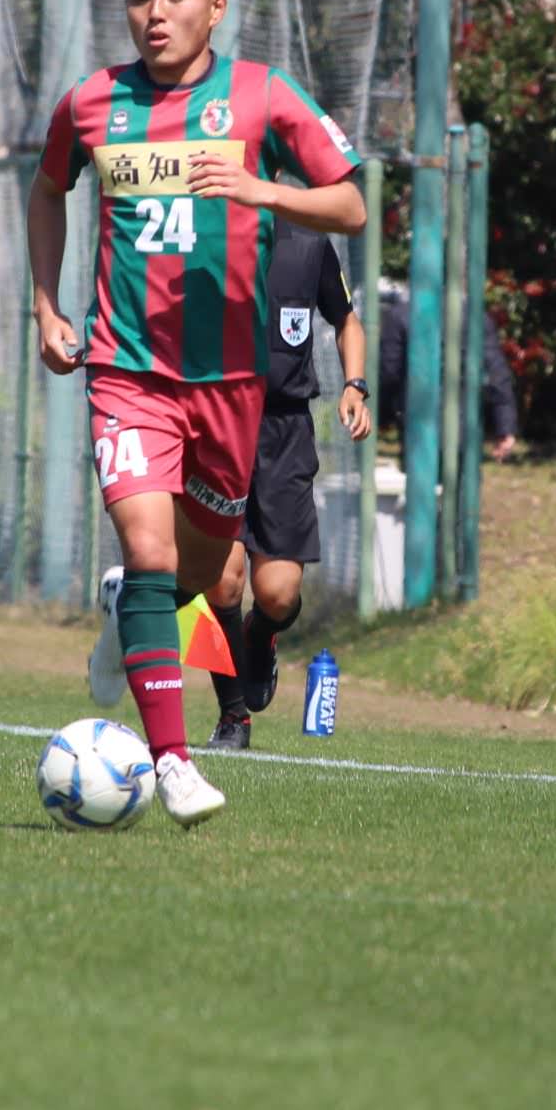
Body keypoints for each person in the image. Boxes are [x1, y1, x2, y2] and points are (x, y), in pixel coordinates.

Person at [29, 0, 365, 826]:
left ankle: (126, 615)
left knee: (206, 574)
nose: (154, 13)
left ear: (214, 6)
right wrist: (47, 306)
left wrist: (263, 190)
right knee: (150, 550)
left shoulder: (262, 95)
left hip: (231, 386)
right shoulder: (92, 103)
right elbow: (48, 188)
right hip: (127, 370)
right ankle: (172, 763)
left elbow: (350, 204)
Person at [197, 220, 371, 751]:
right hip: (215, 422)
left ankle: (260, 635)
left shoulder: (309, 243)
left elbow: (347, 321)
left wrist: (355, 385)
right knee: (220, 582)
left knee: (277, 593)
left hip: (284, 430)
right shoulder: (203, 233)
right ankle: (233, 717)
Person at [374, 279, 520, 458]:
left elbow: (389, 372)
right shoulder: (475, 317)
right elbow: (496, 373)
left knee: (420, 471)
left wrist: (380, 415)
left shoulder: (400, 315)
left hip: (416, 417)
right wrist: (504, 426)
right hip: (464, 420)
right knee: (461, 470)